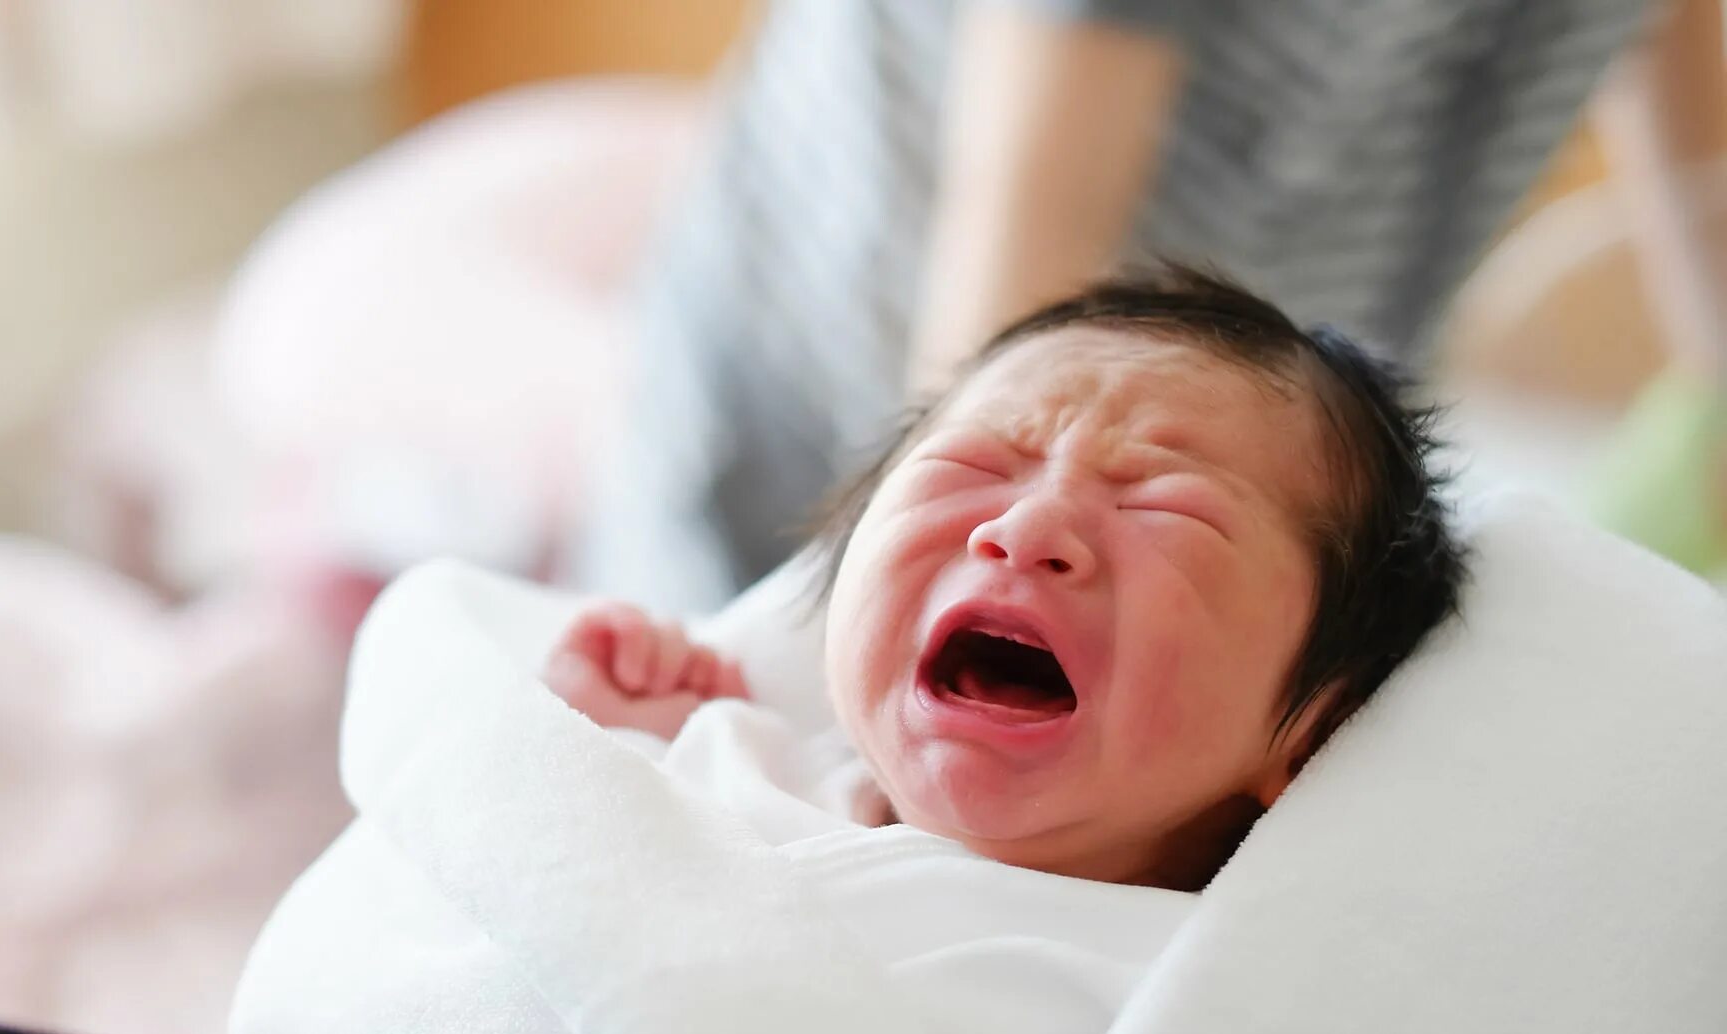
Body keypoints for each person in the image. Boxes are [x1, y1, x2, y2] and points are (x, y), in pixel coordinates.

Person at [572, 0, 1723, 610]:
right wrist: (922, 580)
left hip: (1256, 396)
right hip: (885, 383)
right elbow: (1028, 216)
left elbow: (1692, 150)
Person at [547, 266, 1467, 891]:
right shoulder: (744, 768)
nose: (1025, 529)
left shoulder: (1199, 995)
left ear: (1314, 731)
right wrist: (612, 735)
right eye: (978, 465)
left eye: (1167, 508)